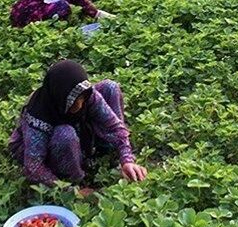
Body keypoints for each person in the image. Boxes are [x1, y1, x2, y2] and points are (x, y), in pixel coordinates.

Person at [8, 60, 147, 188]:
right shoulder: (38, 115)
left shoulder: (87, 95)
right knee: (65, 134)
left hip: (77, 131)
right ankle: (74, 176)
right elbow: (33, 168)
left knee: (110, 88)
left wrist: (127, 159)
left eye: (81, 98)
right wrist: (70, 190)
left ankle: (106, 149)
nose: (79, 105)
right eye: (73, 99)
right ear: (60, 96)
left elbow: (115, 127)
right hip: (54, 148)